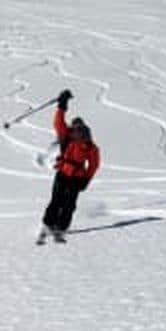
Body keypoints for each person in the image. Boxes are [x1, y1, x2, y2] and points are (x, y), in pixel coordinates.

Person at [39, 89, 100, 244]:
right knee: (67, 203)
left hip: (67, 174)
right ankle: (58, 226)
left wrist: (62, 105)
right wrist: (86, 179)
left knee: (58, 201)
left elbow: (58, 122)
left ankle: (49, 225)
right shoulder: (87, 142)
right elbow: (94, 164)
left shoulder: (68, 135)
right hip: (74, 176)